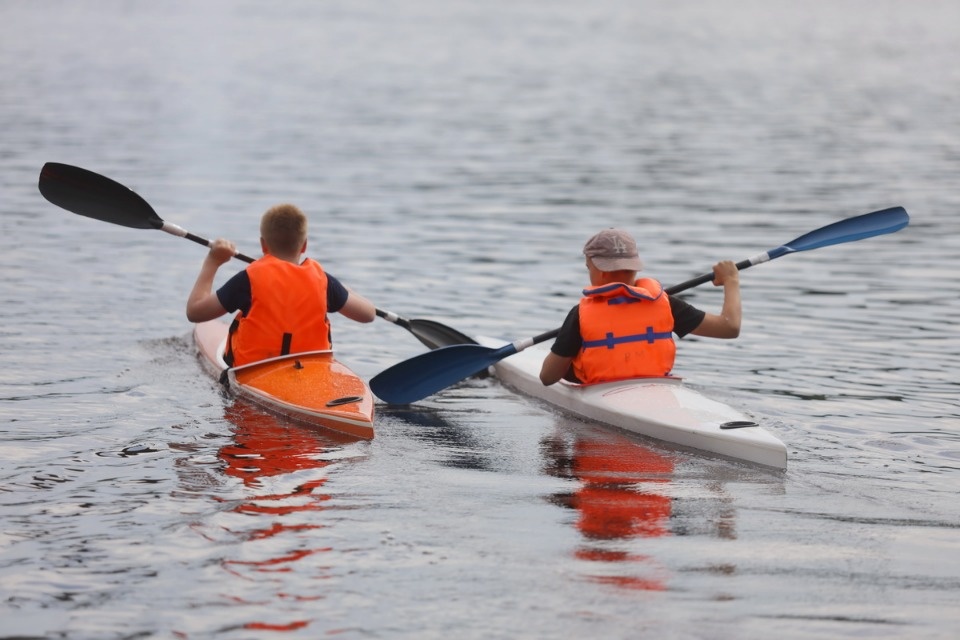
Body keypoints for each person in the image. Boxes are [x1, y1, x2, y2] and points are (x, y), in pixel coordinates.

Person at [539, 228, 741, 386]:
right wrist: (731, 280)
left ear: (597, 268)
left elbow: (548, 377)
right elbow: (729, 328)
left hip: (599, 391)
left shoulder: (581, 314)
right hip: (657, 388)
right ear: (635, 266)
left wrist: (572, 342)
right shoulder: (665, 303)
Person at [186, 203, 376, 366]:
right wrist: (345, 291)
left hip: (254, 371)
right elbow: (368, 314)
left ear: (263, 245)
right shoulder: (324, 281)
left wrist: (213, 261)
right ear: (304, 246)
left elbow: (195, 312)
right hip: (312, 371)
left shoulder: (248, 279)